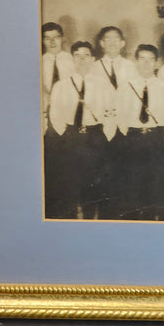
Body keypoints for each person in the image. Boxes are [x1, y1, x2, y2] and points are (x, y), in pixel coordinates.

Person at [48, 41, 116, 219]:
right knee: (71, 181)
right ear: (72, 59)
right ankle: (72, 222)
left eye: (86, 56)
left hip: (95, 137)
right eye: (77, 56)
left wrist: (105, 135)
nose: (82, 60)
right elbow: (55, 114)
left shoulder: (103, 85)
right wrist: (66, 135)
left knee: (94, 183)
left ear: (93, 59)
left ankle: (90, 218)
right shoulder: (61, 85)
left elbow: (112, 112)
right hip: (71, 137)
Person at [115, 44, 164, 220]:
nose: (146, 63)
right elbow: (119, 115)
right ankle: (135, 221)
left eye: (150, 59)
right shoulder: (125, 87)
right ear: (136, 61)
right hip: (132, 138)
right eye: (142, 59)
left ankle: (152, 219)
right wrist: (127, 137)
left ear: (157, 62)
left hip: (157, 137)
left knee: (156, 183)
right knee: (132, 183)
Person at [41, 22, 74, 130]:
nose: (52, 42)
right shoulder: (38, 62)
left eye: (56, 38)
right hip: (46, 112)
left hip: (70, 110)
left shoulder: (73, 60)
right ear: (42, 41)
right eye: (47, 38)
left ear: (62, 39)